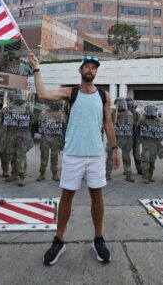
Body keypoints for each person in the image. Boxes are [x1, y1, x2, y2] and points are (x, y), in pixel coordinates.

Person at [28, 52, 119, 266]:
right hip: (73, 154)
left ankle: (98, 239)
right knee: (67, 197)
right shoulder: (72, 92)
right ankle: (59, 241)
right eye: (86, 66)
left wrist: (114, 148)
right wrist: (36, 68)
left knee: (97, 197)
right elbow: (42, 94)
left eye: (93, 67)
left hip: (96, 154)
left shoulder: (104, 96)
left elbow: (108, 124)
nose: (90, 70)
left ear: (96, 72)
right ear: (80, 70)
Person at [0, 89, 34, 187]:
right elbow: (1, 117)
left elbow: (31, 120)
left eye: (21, 95)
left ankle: (22, 176)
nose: (19, 96)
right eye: (17, 94)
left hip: (22, 135)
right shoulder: (9, 106)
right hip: (11, 134)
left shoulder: (27, 107)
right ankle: (14, 174)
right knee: (12, 154)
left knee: (21, 156)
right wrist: (3, 112)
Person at [37, 100, 67, 182]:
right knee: (44, 155)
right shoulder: (43, 113)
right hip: (45, 137)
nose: (54, 105)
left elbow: (63, 126)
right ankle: (42, 173)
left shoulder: (60, 114)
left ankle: (55, 173)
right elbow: (40, 124)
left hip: (56, 138)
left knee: (54, 156)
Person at [107, 97, 135, 182]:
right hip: (114, 137)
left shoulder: (129, 114)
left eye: (120, 103)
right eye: (117, 103)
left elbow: (129, 126)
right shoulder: (113, 113)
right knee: (110, 155)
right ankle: (107, 174)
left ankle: (128, 174)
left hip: (126, 138)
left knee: (126, 156)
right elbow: (109, 124)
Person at [137, 104, 163, 184]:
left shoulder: (158, 120)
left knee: (152, 160)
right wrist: (142, 140)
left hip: (155, 143)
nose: (151, 112)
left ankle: (150, 176)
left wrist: (158, 141)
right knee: (145, 160)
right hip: (146, 143)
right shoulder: (142, 120)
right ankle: (145, 177)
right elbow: (138, 130)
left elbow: (161, 131)